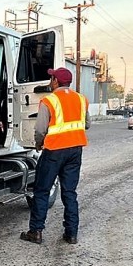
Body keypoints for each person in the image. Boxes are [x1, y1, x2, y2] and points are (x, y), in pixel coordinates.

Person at [20, 67, 90, 245]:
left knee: (42, 191)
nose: (50, 82)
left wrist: (38, 144)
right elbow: (87, 124)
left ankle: (36, 232)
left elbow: (40, 129)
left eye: (52, 79)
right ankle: (71, 234)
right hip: (75, 152)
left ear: (56, 82)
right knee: (69, 192)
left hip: (54, 152)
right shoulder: (81, 99)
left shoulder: (49, 100)